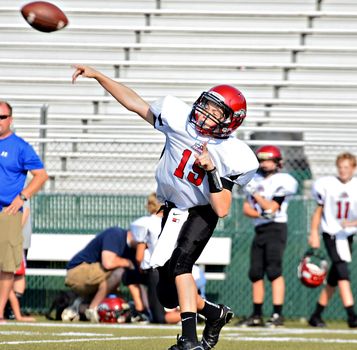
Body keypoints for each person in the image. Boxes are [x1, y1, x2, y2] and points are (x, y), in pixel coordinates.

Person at [72, 65, 258, 350]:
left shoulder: (234, 154)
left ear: (230, 121)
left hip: (201, 209)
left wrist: (211, 170)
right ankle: (214, 313)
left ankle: (189, 340)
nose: (206, 113)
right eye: (207, 105)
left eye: (216, 112)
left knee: (183, 265)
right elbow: (136, 103)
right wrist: (98, 76)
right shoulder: (178, 119)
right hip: (172, 210)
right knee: (167, 294)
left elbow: (221, 209)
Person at [237, 145, 298, 328]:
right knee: (255, 273)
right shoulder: (254, 178)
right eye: (262, 160)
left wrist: (256, 194)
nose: (264, 163)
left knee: (274, 271)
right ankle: (256, 315)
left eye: (268, 160)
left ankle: (277, 314)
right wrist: (262, 213)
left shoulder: (284, 180)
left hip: (276, 228)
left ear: (278, 162)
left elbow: (273, 208)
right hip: (260, 229)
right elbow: (247, 209)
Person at [0, 100, 48, 322]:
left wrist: (22, 197)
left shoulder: (19, 146)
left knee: (7, 266)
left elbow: (41, 175)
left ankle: (0, 312)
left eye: (2, 117)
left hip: (7, 213)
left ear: (10, 119)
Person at [308, 152, 357, 328]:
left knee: (335, 277)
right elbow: (319, 210)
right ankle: (352, 315)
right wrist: (313, 232)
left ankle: (316, 315)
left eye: (347, 167)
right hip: (331, 233)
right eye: (340, 167)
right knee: (343, 271)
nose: (343, 171)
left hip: (347, 235)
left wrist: (352, 223)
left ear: (354, 168)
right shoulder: (326, 184)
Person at [65, 226, 136, 322]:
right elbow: (108, 263)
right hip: (77, 271)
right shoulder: (115, 234)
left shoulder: (133, 249)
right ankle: (92, 308)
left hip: (95, 276)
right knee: (119, 272)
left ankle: (79, 307)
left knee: (116, 307)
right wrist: (128, 263)